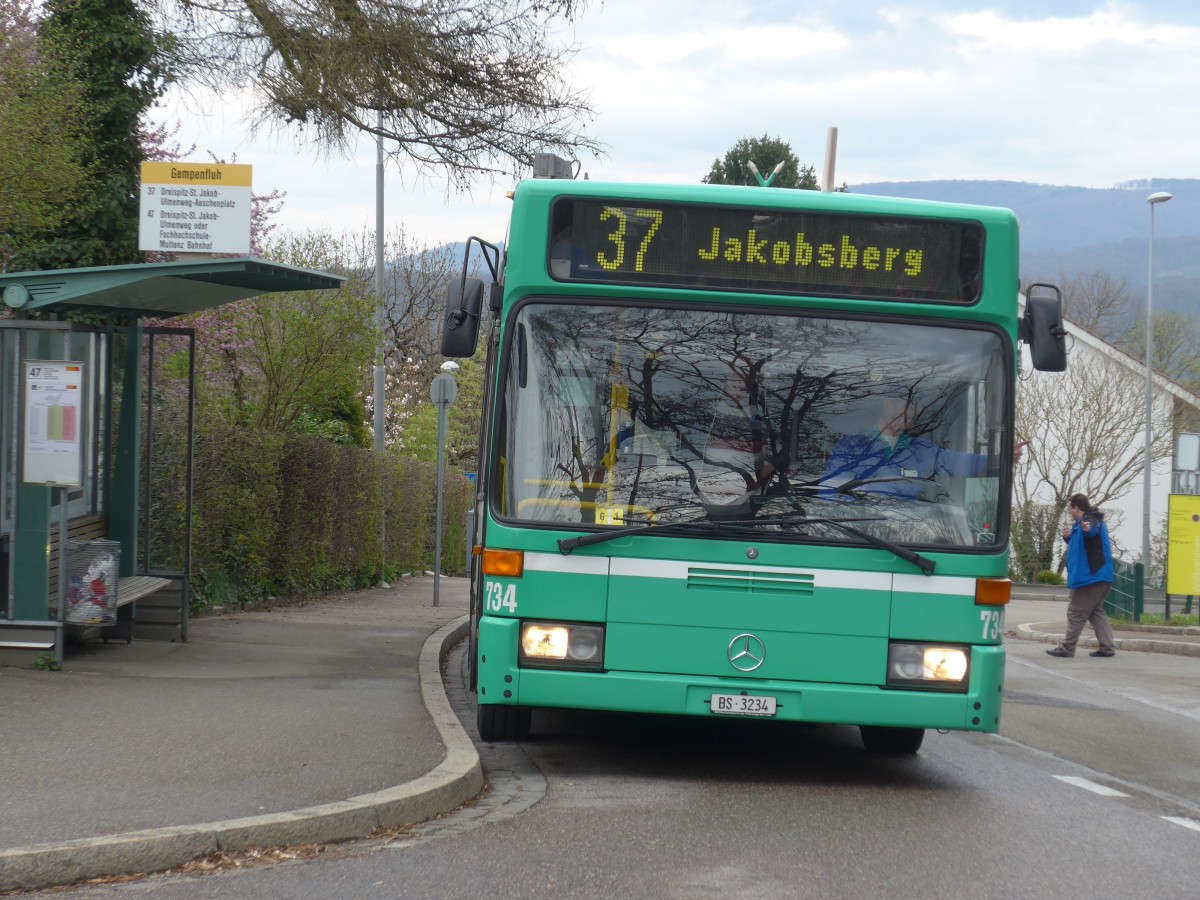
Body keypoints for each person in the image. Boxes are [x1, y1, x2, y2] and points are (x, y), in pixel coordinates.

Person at [820, 396, 1026, 499]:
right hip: (858, 535)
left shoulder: (924, 450)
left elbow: (960, 462)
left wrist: (1001, 459)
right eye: (901, 415)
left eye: (912, 419)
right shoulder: (852, 446)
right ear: (887, 406)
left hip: (908, 535)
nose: (905, 423)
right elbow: (828, 492)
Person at [1046, 493, 1116, 658]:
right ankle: (1107, 647)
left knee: (1075, 612)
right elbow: (1083, 546)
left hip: (1091, 578)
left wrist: (1087, 529)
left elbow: (1091, 531)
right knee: (1095, 612)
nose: (1069, 511)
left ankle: (1067, 648)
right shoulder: (1081, 524)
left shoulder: (1091, 521)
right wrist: (1068, 538)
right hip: (1098, 577)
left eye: (1069, 508)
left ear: (1076, 508)